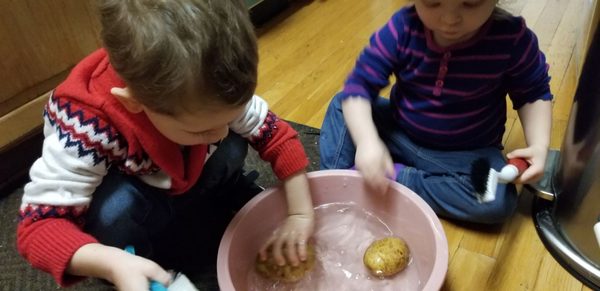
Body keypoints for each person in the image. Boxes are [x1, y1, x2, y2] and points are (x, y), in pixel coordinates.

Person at [16, 0, 314, 290]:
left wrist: (300, 213)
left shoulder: (205, 90)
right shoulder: (86, 126)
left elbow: (276, 135)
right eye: (203, 128)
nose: (221, 132)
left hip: (180, 170)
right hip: (135, 189)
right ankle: (133, 261)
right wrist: (110, 262)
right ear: (133, 104)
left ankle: (221, 194)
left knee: (235, 143)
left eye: (230, 117)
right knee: (112, 213)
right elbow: (38, 228)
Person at [319, 0, 552, 224]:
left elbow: (533, 92)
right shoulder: (403, 28)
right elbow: (359, 85)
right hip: (400, 133)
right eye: (432, 2)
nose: (450, 19)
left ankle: (396, 179)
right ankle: (338, 181)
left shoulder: (512, 39)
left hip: (465, 153)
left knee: (497, 201)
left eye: (470, 3)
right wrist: (367, 141)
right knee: (342, 104)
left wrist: (539, 145)